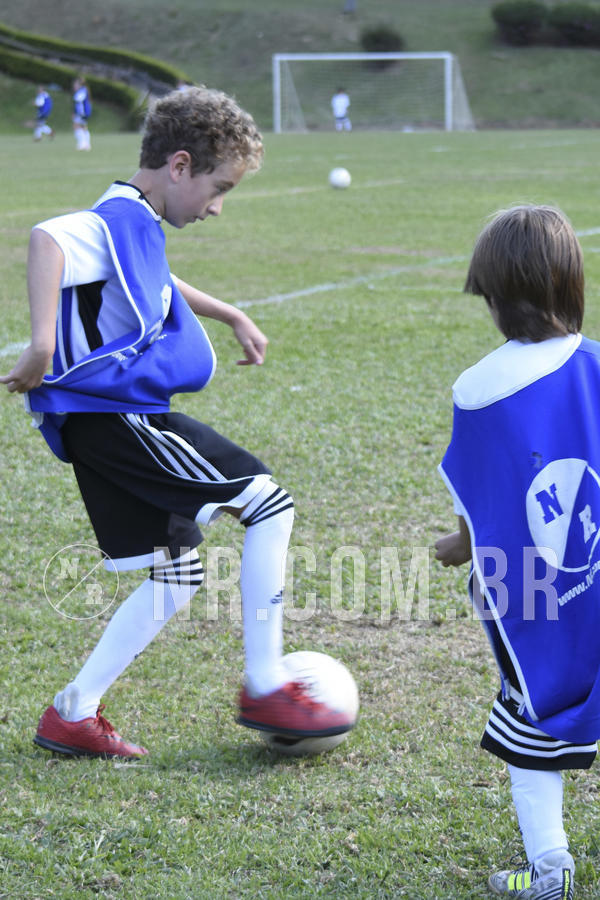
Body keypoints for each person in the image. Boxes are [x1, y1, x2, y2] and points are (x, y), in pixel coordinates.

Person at [0, 86, 353, 759]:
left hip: (97, 424)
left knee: (175, 575)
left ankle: (72, 714)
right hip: (118, 418)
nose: (218, 207)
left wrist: (230, 313)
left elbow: (155, 276)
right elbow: (48, 240)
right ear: (180, 165)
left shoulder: (135, 224)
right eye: (219, 188)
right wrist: (42, 343)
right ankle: (266, 682)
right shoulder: (114, 216)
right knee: (269, 506)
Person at [435, 205, 600, 899]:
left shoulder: (477, 390)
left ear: (494, 298)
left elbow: (486, 506)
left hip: (533, 597)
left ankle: (552, 870)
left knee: (529, 714)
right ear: (573, 285)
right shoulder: (595, 363)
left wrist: (456, 547)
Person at [72, 76, 92, 151]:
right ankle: (87, 144)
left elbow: (79, 102)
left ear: (79, 84)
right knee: (83, 127)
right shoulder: (84, 90)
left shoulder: (82, 91)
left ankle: (82, 144)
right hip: (85, 112)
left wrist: (76, 113)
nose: (74, 86)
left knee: (76, 126)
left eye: (75, 84)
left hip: (82, 112)